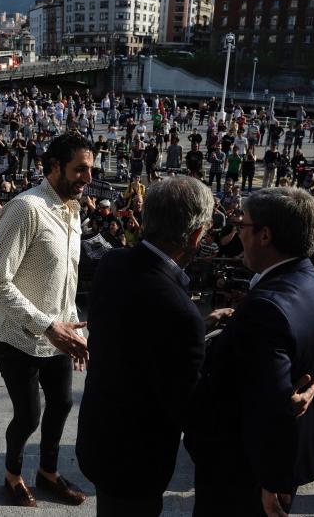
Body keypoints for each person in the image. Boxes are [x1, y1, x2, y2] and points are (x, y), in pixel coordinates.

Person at [185, 187, 314, 516]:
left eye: (243, 225)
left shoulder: (266, 307)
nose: (238, 233)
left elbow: (269, 406)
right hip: (282, 464)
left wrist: (270, 480)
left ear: (265, 235)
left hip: (245, 474)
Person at [77, 178, 214, 516]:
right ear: (195, 235)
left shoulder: (114, 263)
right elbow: (188, 407)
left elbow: (134, 329)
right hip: (137, 465)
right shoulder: (180, 313)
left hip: (99, 438)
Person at [0, 132, 91, 508]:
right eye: (79, 169)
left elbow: (67, 280)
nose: (87, 178)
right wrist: (48, 325)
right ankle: (13, 475)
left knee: (61, 405)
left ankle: (48, 474)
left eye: (89, 170)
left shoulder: (73, 212)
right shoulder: (26, 208)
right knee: (28, 415)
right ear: (54, 167)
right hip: (16, 335)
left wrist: (75, 329)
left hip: (59, 335)